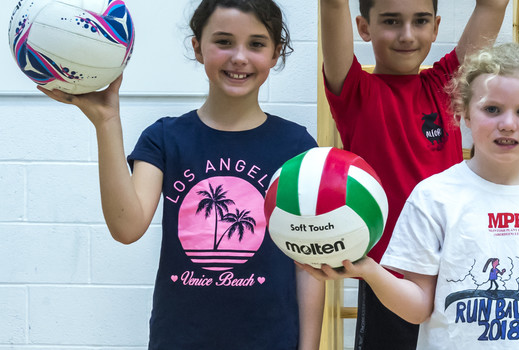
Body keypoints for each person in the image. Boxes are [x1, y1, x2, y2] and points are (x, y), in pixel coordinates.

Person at [39, 0, 322, 348]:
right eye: (223, 41)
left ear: (276, 53)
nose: (239, 56)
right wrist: (106, 121)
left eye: (257, 44)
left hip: (272, 339)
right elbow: (126, 228)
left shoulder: (296, 145)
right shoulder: (164, 138)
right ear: (197, 47)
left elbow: (308, 264)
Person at [303, 43, 519, 350]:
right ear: (465, 113)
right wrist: (370, 270)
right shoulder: (433, 197)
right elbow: (418, 309)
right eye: (492, 109)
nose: (508, 123)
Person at [318, 0, 509, 347]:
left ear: (435, 27)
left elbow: (493, 5)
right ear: (364, 28)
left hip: (455, 277)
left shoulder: (446, 85)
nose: (407, 35)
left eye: (420, 21)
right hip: (390, 281)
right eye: (391, 21)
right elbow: (332, 6)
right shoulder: (356, 92)